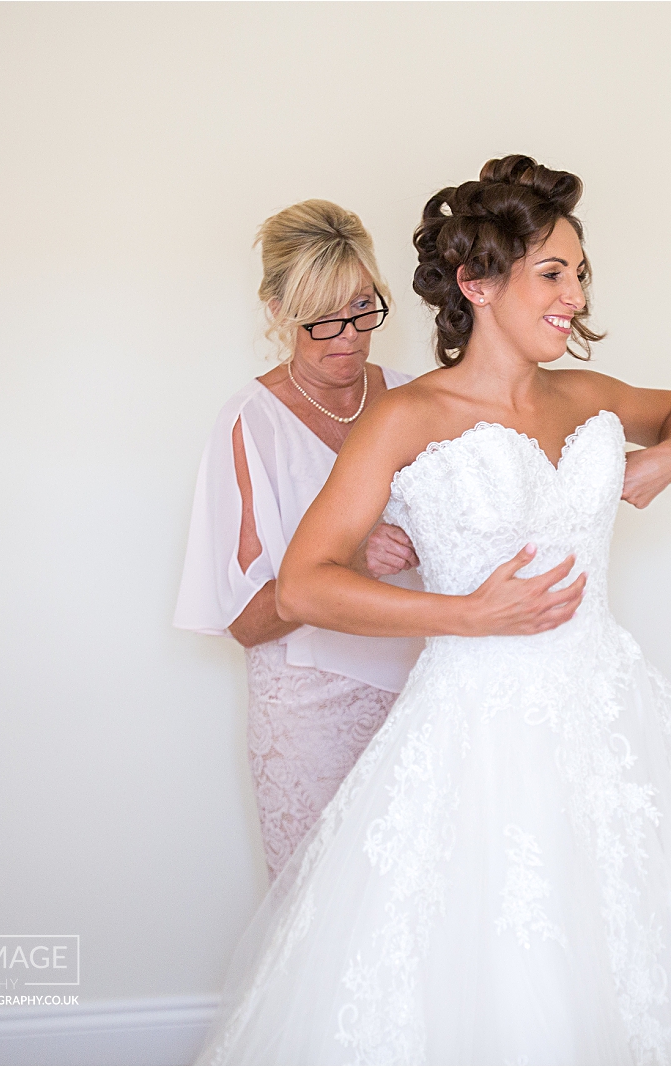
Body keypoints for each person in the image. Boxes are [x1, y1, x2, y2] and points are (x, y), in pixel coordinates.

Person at [194, 158, 671, 1065]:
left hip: (614, 712)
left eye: (579, 273)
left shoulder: (587, 395)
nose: (574, 296)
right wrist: (465, 613)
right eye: (553, 273)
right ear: (477, 284)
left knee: (646, 946)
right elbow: (302, 584)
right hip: (475, 727)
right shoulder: (408, 416)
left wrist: (666, 458)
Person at [174, 200, 426, 883]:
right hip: (309, 713)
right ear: (277, 309)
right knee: (319, 909)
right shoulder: (250, 424)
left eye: (363, 308)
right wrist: (345, 558)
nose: (347, 336)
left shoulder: (414, 402)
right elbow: (249, 623)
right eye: (322, 316)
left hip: (424, 693)